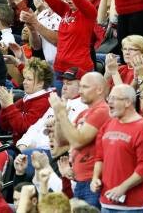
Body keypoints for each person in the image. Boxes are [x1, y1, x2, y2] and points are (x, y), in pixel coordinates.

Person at [49, 72, 108, 208]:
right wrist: (58, 117)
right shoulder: (84, 113)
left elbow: (77, 141)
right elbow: (62, 141)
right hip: (80, 181)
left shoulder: (102, 111)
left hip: (93, 182)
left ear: (99, 89)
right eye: (80, 87)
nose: (80, 91)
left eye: (85, 87)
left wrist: (62, 114)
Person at [91, 84, 143, 211]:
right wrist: (95, 178)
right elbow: (99, 158)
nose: (109, 102)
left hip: (133, 206)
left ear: (128, 102)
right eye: (109, 98)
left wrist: (123, 187)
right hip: (106, 203)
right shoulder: (107, 125)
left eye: (114, 98)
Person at [0, 58, 54, 144]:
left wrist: (9, 106)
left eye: (29, 79)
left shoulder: (44, 102)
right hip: (18, 145)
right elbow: (5, 126)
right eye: (24, 78)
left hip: (30, 149)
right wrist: (5, 108)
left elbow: (24, 128)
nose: (24, 82)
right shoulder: (27, 98)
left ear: (40, 83)